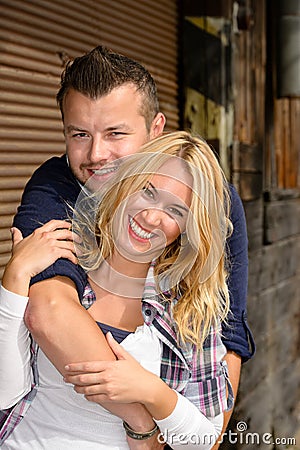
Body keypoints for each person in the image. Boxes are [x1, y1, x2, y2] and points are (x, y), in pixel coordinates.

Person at [3, 46, 254, 445]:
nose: (97, 155)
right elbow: (48, 311)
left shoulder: (210, 200)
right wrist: (145, 426)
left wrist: (196, 428)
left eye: (116, 133)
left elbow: (229, 334)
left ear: (156, 129)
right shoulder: (57, 188)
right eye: (80, 134)